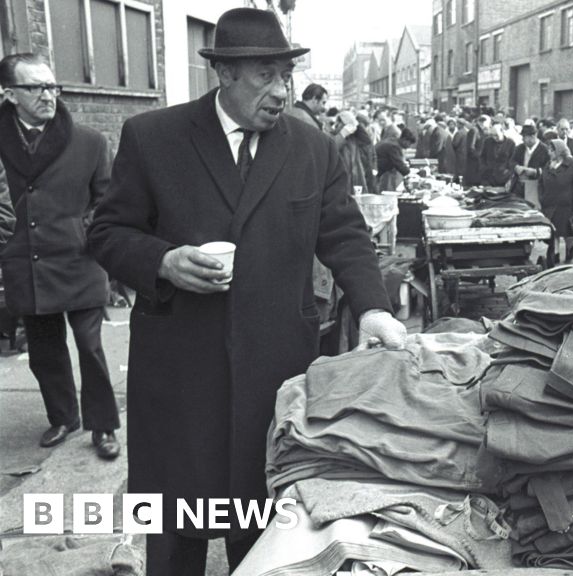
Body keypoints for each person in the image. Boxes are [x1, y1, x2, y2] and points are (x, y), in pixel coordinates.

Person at [86, 9, 406, 575]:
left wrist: (375, 307)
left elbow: (345, 235)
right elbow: (107, 232)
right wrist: (162, 261)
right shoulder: (154, 137)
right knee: (174, 521)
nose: (282, 91)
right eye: (266, 76)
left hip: (275, 369)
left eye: (286, 75)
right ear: (225, 75)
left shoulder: (313, 149)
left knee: (265, 528)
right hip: (179, 368)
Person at [0, 53, 121, 459]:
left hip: (78, 260)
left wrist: (85, 233)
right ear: (9, 93)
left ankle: (103, 426)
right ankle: (63, 416)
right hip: (24, 262)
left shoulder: (89, 141)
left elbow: (107, 204)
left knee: (90, 346)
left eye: (52, 86)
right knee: (45, 350)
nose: (48, 95)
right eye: (35, 88)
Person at [539, 139, 573, 266]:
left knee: (567, 232)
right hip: (550, 204)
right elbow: (541, 182)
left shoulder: (571, 164)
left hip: (567, 206)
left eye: (551, 150)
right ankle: (555, 255)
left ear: (559, 151)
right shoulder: (548, 164)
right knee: (554, 233)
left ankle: (569, 250)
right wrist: (542, 198)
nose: (549, 152)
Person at [335, 110, 378, 195]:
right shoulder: (334, 137)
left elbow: (367, 142)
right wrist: (342, 134)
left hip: (355, 179)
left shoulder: (354, 139)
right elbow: (333, 148)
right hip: (342, 180)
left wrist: (356, 124)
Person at [509, 124, 549, 198]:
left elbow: (549, 169)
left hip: (535, 188)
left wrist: (535, 172)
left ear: (533, 136)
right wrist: (516, 167)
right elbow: (511, 162)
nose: (522, 139)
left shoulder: (545, 150)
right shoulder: (519, 148)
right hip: (518, 187)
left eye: (524, 137)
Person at [376, 123, 410, 192]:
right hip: (378, 172)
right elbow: (399, 164)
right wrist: (409, 173)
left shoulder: (388, 142)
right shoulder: (392, 145)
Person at [479, 122, 515, 187]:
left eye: (496, 135)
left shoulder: (511, 143)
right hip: (488, 177)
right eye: (492, 135)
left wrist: (508, 172)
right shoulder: (487, 141)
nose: (494, 137)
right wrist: (483, 168)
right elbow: (482, 157)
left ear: (502, 131)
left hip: (503, 178)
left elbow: (513, 161)